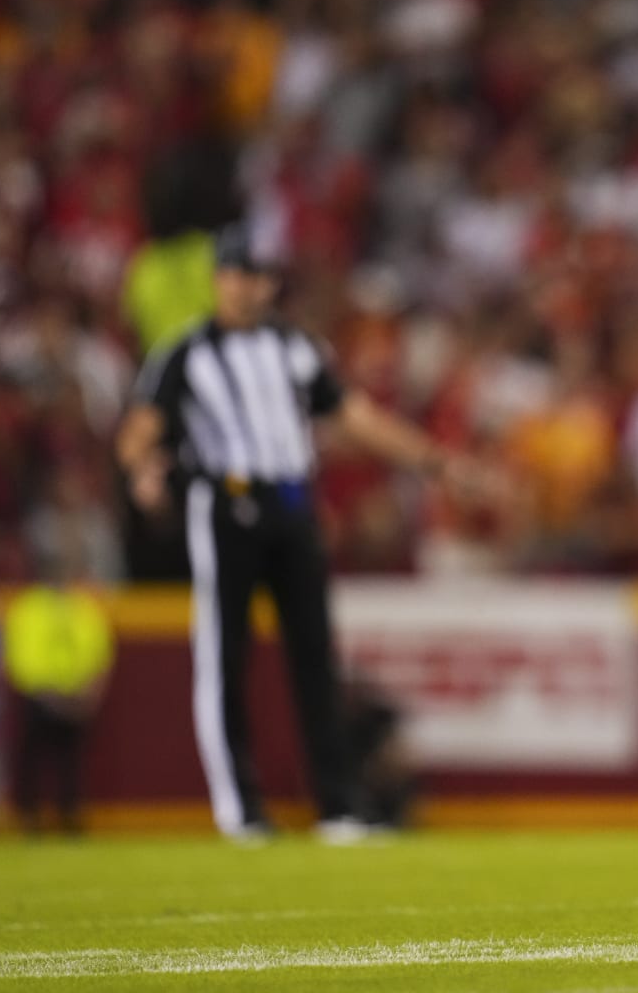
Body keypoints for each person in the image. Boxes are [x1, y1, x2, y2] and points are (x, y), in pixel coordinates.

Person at [114, 224, 495, 843]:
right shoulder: (185, 352)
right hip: (226, 503)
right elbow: (141, 426)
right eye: (235, 275)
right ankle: (241, 809)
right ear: (218, 281)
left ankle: (338, 805)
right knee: (225, 657)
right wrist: (143, 468)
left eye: (256, 276)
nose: (245, 287)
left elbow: (356, 417)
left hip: (292, 504)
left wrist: (435, 463)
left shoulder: (295, 348)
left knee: (315, 657)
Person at [2, 582, 114, 834]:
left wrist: (88, 691)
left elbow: (99, 652)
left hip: (76, 697)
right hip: (38, 697)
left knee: (71, 761)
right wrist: (46, 692)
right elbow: (19, 655)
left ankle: (69, 814)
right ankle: (29, 815)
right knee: (32, 758)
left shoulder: (84, 607)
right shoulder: (29, 606)